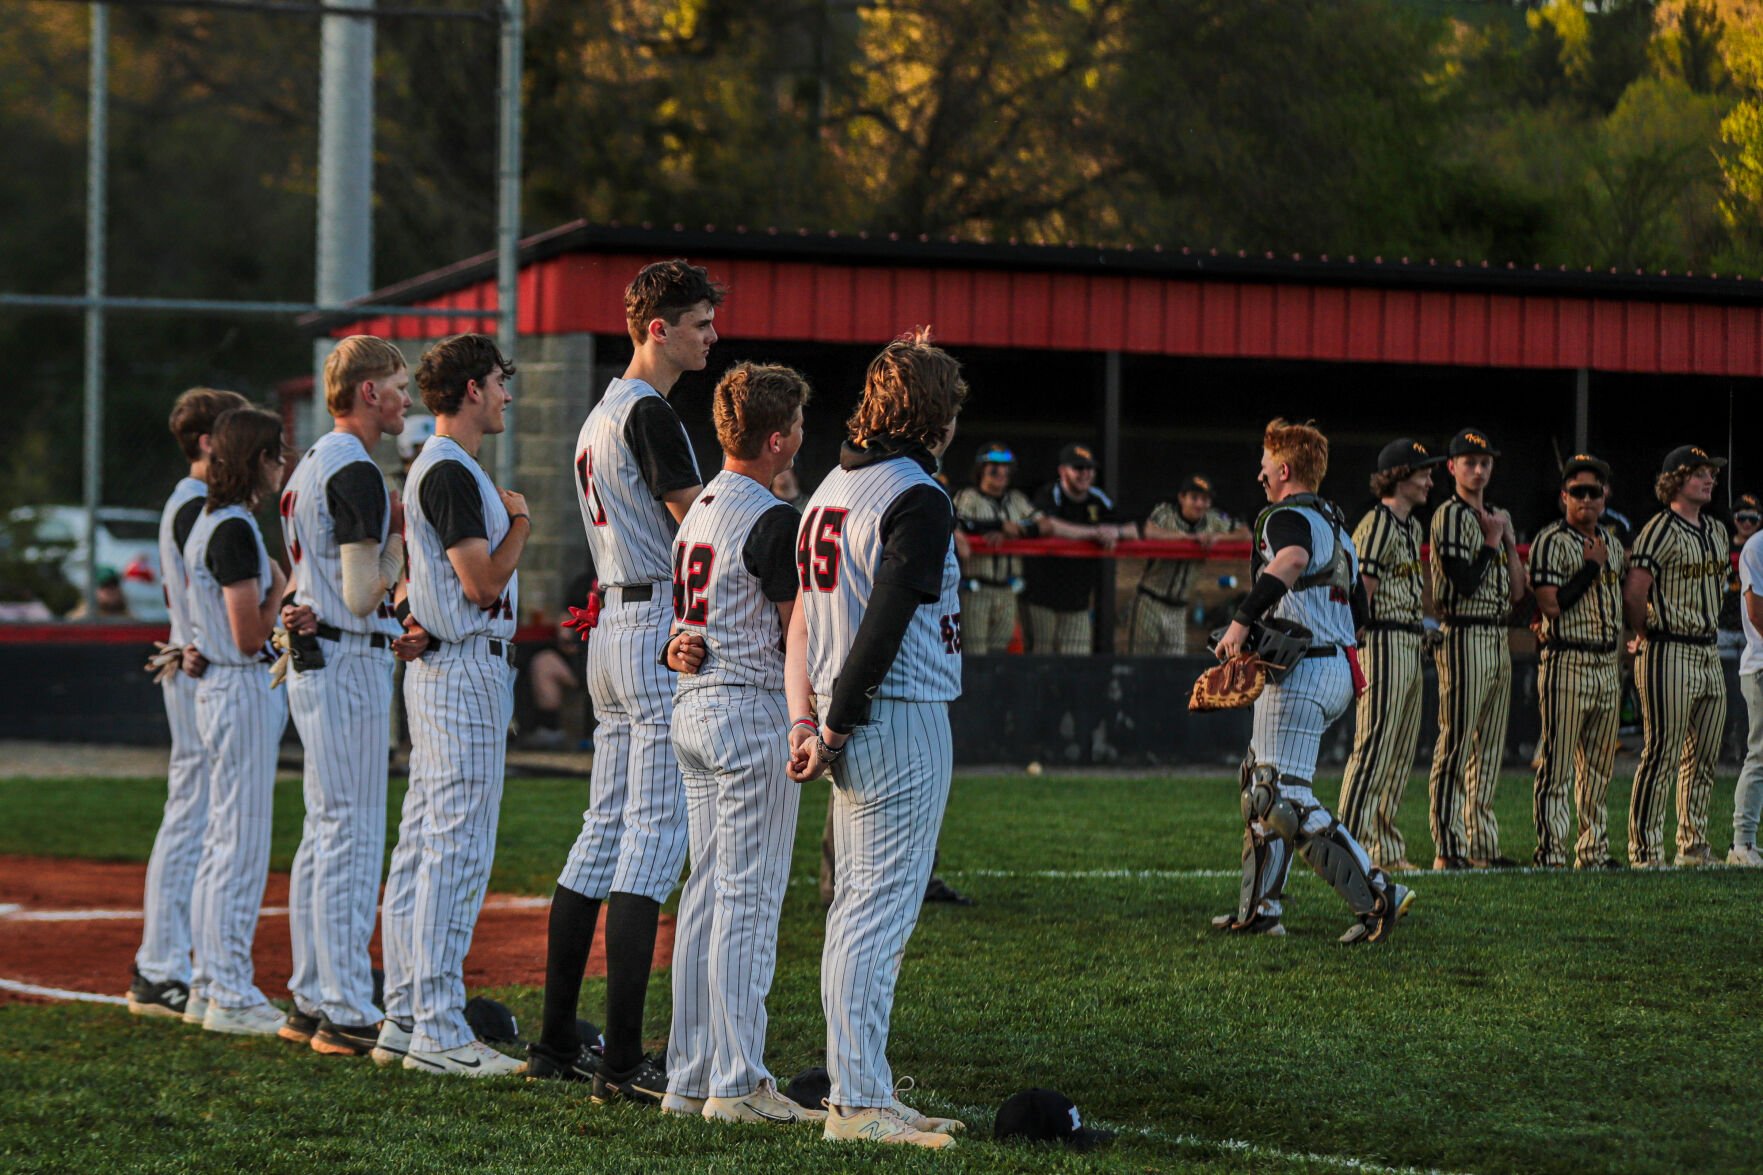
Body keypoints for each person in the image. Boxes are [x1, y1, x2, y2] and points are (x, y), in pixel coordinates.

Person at [533, 259, 718, 1103]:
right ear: (658, 327)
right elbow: (700, 524)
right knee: (649, 837)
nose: (710, 335)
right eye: (699, 322)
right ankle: (618, 1061)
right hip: (648, 621)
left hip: (610, 616)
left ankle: (554, 1039)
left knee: (602, 829)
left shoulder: (601, 411)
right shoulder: (647, 412)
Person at [786, 329, 969, 1149]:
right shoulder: (915, 493)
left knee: (858, 909)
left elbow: (804, 621)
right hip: (891, 711)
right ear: (935, 414)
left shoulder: (831, 484)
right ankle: (858, 1099)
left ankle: (863, 1088)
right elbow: (885, 622)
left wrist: (812, 720)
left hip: (851, 711)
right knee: (874, 913)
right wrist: (833, 722)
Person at [658, 362, 823, 1125]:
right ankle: (737, 1079)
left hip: (694, 704)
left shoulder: (698, 509)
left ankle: (688, 1075)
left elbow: (690, 619)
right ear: (778, 437)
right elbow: (794, 631)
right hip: (747, 704)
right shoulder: (771, 514)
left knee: (704, 895)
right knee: (747, 899)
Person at [372, 333, 528, 1076]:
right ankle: (435, 1025)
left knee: (425, 843)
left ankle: (406, 1014)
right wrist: (522, 522)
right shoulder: (451, 469)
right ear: (470, 387)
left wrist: (416, 615)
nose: (505, 393)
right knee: (453, 847)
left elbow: (422, 579)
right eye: (499, 380)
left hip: (447, 663)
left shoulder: (436, 467)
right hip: (463, 668)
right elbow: (482, 584)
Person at [1210, 418, 1411, 944]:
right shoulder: (1338, 526)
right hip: (1330, 662)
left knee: (1283, 798)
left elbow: (1293, 559)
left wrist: (1242, 622)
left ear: (1283, 468)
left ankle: (1377, 894)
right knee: (1259, 785)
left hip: (1304, 669)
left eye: (1265, 464)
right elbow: (1360, 612)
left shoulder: (1286, 516)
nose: (1259, 475)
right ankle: (1260, 911)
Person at [273, 336, 410, 1056]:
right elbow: (363, 595)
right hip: (346, 655)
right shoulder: (353, 467)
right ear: (366, 392)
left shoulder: (309, 463)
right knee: (352, 835)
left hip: (316, 655)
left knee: (324, 831)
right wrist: (402, 546)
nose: (406, 397)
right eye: (396, 382)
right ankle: (346, 1004)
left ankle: (310, 994)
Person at [126, 386, 248, 1021]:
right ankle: (161, 964)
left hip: (193, 660)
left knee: (199, 815)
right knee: (192, 815)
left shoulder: (197, 502)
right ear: (207, 442)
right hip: (198, 666)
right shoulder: (194, 504)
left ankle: (174, 962)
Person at [181, 405, 291, 1035]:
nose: (282, 464)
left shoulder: (208, 520)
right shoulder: (235, 528)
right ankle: (228, 988)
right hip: (240, 684)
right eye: (275, 453)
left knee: (223, 840)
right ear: (257, 460)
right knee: (240, 845)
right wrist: (283, 586)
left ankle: (206, 983)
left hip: (217, 686)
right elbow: (251, 635)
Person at [1336, 439, 1442, 872]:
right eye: (1423, 473)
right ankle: (1345, 844)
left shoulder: (1411, 527)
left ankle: (1384, 847)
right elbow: (1362, 590)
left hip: (1408, 640)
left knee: (1398, 749)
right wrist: (1357, 642)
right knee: (1375, 743)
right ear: (1399, 476)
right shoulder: (1377, 522)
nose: (1430, 481)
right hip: (1380, 640)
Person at [1624, 445, 1729, 868]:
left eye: (1711, 473)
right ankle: (1646, 850)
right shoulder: (1658, 529)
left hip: (1707, 647)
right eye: (1699, 473)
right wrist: (1644, 632)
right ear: (1675, 481)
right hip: (1668, 646)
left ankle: (1693, 845)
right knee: (1662, 751)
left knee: (1704, 754)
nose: (1709, 480)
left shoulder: (1717, 530)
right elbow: (1635, 590)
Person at [1426, 427, 1526, 870]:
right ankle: (1448, 845)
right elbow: (1463, 585)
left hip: (1495, 633)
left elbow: (1518, 593)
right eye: (1469, 461)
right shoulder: (1449, 515)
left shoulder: (1496, 516)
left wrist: (1506, 542)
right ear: (1451, 468)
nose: (1479, 468)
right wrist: (1490, 542)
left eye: (1485, 462)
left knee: (1489, 746)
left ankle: (1481, 844)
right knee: (1458, 741)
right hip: (1463, 631)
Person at [1528, 455, 1627, 870]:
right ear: (1564, 496)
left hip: (1606, 662)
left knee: (1600, 766)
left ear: (1604, 497)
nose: (1586, 498)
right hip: (1567, 659)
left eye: (1594, 491)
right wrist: (1590, 568)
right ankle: (1551, 852)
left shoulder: (1613, 543)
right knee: (1558, 762)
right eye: (1578, 491)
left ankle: (1593, 850)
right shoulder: (1551, 540)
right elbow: (1551, 605)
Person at [1020, 443, 1136, 654]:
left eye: (1089, 468)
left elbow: (1134, 529)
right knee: (1040, 660)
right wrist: (1094, 532)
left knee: (1077, 662)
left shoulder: (1097, 498)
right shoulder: (1050, 493)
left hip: (1078, 602)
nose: (1085, 474)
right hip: (1041, 599)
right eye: (1078, 468)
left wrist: (1115, 532)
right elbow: (1049, 524)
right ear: (1063, 470)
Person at [1131, 474, 1243, 655]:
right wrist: (1189, 539)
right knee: (1139, 660)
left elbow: (1245, 532)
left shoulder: (1213, 519)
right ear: (1182, 497)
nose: (1200, 504)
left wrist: (1218, 537)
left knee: (1174, 665)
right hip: (1150, 601)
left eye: (1205, 499)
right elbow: (1149, 531)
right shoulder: (1166, 512)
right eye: (1194, 498)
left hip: (1179, 608)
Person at [951, 442, 1035, 655]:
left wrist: (1013, 530)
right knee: (974, 654)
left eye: (1006, 467)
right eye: (994, 467)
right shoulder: (968, 497)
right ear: (981, 470)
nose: (1001, 472)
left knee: (999, 656)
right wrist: (998, 525)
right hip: (976, 588)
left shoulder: (1016, 499)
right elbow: (959, 523)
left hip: (1008, 589)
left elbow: (1043, 525)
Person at [1727, 509, 1763, 866]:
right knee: (1760, 754)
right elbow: (1756, 613)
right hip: (1761, 665)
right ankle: (1742, 842)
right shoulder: (1757, 546)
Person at [1719, 492, 1760, 645]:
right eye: (1742, 518)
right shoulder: (1722, 548)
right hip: (1723, 627)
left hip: (1755, 630)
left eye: (1753, 518)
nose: (1747, 523)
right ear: (1734, 518)